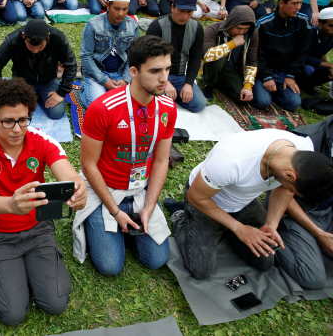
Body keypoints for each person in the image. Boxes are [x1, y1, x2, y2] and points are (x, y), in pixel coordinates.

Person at [0, 77, 86, 326]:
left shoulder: (42, 140)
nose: (17, 129)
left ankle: (26, 269)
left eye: (23, 119)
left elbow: (69, 176)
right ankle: (0, 270)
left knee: (55, 303)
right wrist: (10, 205)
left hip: (37, 228)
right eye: (8, 121)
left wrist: (78, 191)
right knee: (12, 314)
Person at [164, 129, 333, 280]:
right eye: (294, 189)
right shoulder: (231, 161)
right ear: (290, 175)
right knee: (200, 270)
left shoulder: (303, 152)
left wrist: (271, 224)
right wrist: (239, 228)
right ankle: (180, 216)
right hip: (207, 198)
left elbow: (285, 190)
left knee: (265, 262)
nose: (291, 192)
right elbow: (197, 197)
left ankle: (225, 229)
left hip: (243, 200)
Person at [74, 35, 176, 276]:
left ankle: (135, 216)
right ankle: (100, 218)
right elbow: (88, 165)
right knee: (110, 267)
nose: (164, 79)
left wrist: (149, 207)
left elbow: (161, 160)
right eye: (155, 71)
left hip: (139, 189)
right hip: (104, 190)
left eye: (167, 69)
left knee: (156, 260)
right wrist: (115, 211)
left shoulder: (168, 109)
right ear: (134, 71)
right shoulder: (103, 108)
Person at [271, 117, 333, 289]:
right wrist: (319, 233)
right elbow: (281, 191)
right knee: (312, 278)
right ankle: (269, 235)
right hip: (298, 211)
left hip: (328, 211)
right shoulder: (305, 142)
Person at [0, 19, 77, 119]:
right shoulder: (12, 40)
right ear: (23, 36)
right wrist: (1, 92)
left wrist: (61, 93)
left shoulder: (58, 38)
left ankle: (38, 97)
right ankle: (31, 96)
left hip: (48, 81)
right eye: (31, 46)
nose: (35, 51)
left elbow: (71, 64)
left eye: (40, 47)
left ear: (48, 37)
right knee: (12, 111)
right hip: (23, 82)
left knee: (56, 112)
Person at [146, 0, 207, 112]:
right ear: (172, 7)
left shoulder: (197, 28)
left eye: (189, 12)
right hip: (158, 75)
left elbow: (195, 58)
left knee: (199, 104)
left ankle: (175, 96)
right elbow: (150, 58)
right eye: (181, 11)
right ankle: (170, 97)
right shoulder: (157, 26)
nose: (184, 16)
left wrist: (188, 84)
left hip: (180, 76)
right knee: (158, 105)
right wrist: (166, 82)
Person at [254, 0, 310, 110]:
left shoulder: (302, 21)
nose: (298, 7)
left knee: (294, 104)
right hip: (264, 71)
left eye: (301, 3)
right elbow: (257, 54)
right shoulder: (263, 24)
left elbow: (302, 52)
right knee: (263, 102)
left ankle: (273, 91)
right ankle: (266, 91)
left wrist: (291, 76)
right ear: (281, 3)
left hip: (285, 72)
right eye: (295, 3)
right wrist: (266, 77)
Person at [80, 0, 139, 108]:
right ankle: (85, 89)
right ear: (108, 5)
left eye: (125, 9)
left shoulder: (133, 25)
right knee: (100, 108)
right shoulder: (93, 24)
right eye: (116, 9)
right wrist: (104, 81)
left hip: (121, 74)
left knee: (131, 106)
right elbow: (86, 56)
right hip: (97, 74)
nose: (121, 14)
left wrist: (126, 79)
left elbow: (135, 56)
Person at [201, 5, 258, 103]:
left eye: (246, 28)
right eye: (239, 28)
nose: (242, 32)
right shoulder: (214, 28)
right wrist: (232, 44)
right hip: (212, 66)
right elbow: (206, 56)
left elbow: (251, 61)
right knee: (218, 56)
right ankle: (208, 84)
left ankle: (221, 83)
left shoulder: (252, 34)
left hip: (231, 69)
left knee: (240, 97)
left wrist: (248, 86)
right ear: (231, 23)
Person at [296, 8, 333, 94]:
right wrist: (330, 65)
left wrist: (328, 67)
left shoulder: (330, 35)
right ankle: (300, 83)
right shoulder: (308, 34)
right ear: (320, 25)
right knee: (308, 69)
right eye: (331, 26)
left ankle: (308, 85)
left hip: (316, 62)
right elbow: (304, 57)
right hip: (300, 63)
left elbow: (322, 50)